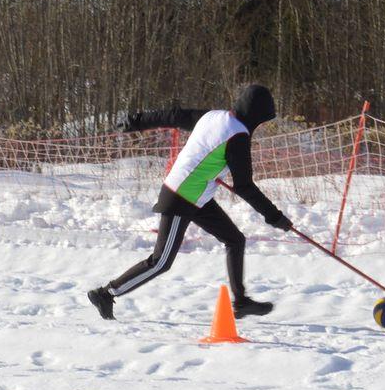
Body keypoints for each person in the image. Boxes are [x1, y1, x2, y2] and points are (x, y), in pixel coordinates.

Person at [88, 84, 292, 321]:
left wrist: (137, 121)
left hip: (198, 196)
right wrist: (274, 216)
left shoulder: (213, 116)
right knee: (161, 261)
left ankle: (241, 302)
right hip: (182, 196)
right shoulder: (238, 136)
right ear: (255, 115)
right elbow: (244, 186)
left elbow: (174, 116)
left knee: (235, 240)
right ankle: (106, 293)